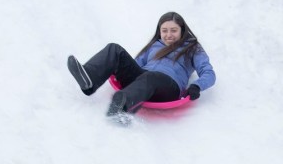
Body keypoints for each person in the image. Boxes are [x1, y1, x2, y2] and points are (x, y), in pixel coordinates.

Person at [66, 12, 216, 118]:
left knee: (151, 77)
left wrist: (197, 86)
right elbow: (136, 65)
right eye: (164, 31)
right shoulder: (154, 45)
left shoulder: (192, 48)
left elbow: (208, 73)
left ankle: (121, 105)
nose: (168, 35)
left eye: (173, 30)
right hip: (144, 79)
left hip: (169, 86)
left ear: (182, 31)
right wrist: (119, 69)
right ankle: (89, 80)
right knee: (114, 49)